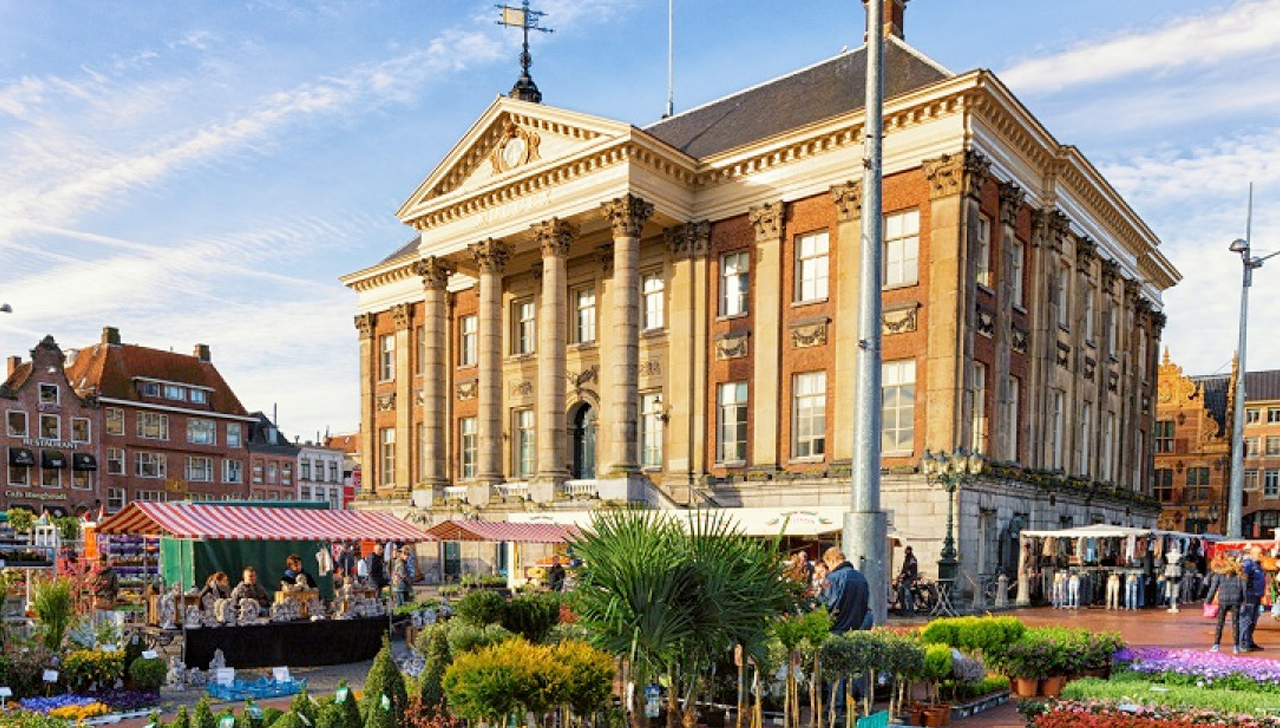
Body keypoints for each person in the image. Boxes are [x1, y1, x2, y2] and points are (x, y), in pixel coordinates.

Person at [821, 547, 869, 634]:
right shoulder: (861, 577)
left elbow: (825, 603)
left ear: (832, 561)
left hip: (836, 629)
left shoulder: (832, 578)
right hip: (856, 630)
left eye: (828, 565)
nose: (829, 569)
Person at [1204, 554, 1245, 653]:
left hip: (1223, 600)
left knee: (1220, 623)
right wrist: (1244, 601)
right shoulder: (1239, 574)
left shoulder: (1220, 574)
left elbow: (1213, 588)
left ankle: (1216, 645)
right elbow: (1244, 589)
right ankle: (1236, 646)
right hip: (1236, 600)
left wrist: (1207, 601)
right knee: (1235, 623)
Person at [1241, 546, 1266, 651]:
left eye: (1261, 553)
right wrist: (1243, 596)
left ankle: (1249, 641)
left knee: (1253, 620)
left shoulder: (1258, 565)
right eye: (1259, 553)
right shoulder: (1248, 564)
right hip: (1249, 596)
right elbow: (1243, 579)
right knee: (1246, 619)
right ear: (1252, 553)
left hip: (1257, 595)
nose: (1261, 555)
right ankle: (1243, 642)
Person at [897, 546, 919, 616]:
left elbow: (911, 570)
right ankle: (903, 610)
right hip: (905, 579)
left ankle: (910, 611)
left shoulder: (912, 559)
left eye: (906, 550)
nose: (905, 551)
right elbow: (904, 569)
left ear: (909, 550)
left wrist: (904, 575)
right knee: (901, 595)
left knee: (907, 595)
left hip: (909, 579)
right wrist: (900, 575)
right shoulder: (907, 558)